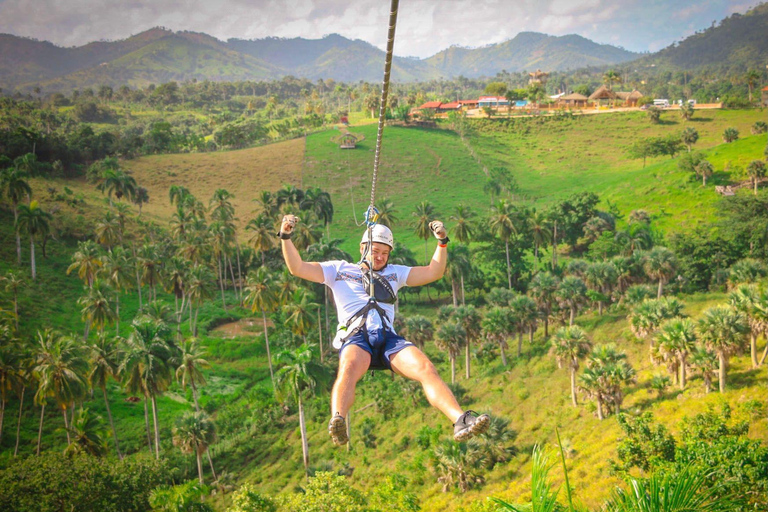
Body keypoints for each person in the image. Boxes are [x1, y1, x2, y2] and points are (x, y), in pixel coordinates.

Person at [277, 214, 489, 446]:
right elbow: (297, 268)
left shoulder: (394, 273)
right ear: (362, 248)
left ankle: (460, 419)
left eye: (385, 253)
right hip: (357, 337)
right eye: (375, 250)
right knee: (348, 367)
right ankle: (338, 419)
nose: (380, 257)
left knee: (426, 368)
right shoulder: (338, 270)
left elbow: (433, 272)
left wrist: (442, 241)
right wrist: (286, 236)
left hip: (388, 338)